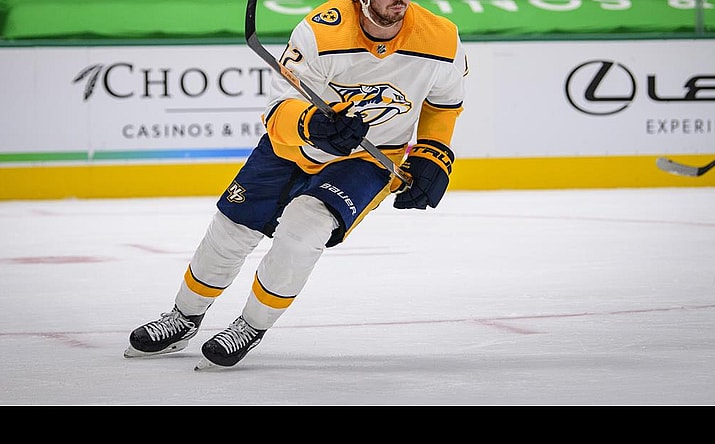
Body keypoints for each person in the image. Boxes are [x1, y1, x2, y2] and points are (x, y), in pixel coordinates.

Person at [124, 0, 468, 369]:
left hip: (369, 159)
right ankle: (184, 316)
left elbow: (444, 102)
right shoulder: (321, 31)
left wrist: (434, 150)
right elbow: (279, 108)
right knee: (231, 231)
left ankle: (251, 325)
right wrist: (313, 124)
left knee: (304, 230)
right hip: (292, 148)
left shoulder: (441, 38)